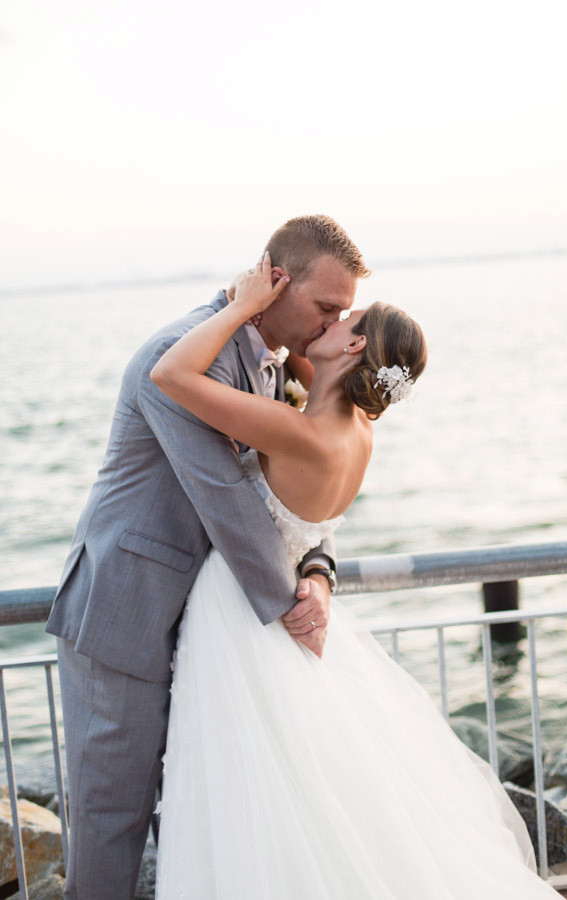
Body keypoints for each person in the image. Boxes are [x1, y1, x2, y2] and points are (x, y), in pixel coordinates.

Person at [151, 255, 561, 898]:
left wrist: (237, 305)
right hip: (290, 605)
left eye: (347, 318)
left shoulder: (299, 433)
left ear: (357, 344)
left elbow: (169, 373)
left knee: (246, 789)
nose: (334, 319)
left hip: (241, 616)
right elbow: (311, 378)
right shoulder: (358, 432)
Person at [46, 214, 370, 900]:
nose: (331, 323)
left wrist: (318, 573)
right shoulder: (179, 355)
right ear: (273, 279)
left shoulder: (277, 367)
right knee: (113, 820)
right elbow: (223, 492)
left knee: (198, 811)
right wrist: (286, 606)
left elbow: (298, 491)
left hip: (203, 633)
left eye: (341, 312)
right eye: (325, 306)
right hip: (124, 617)